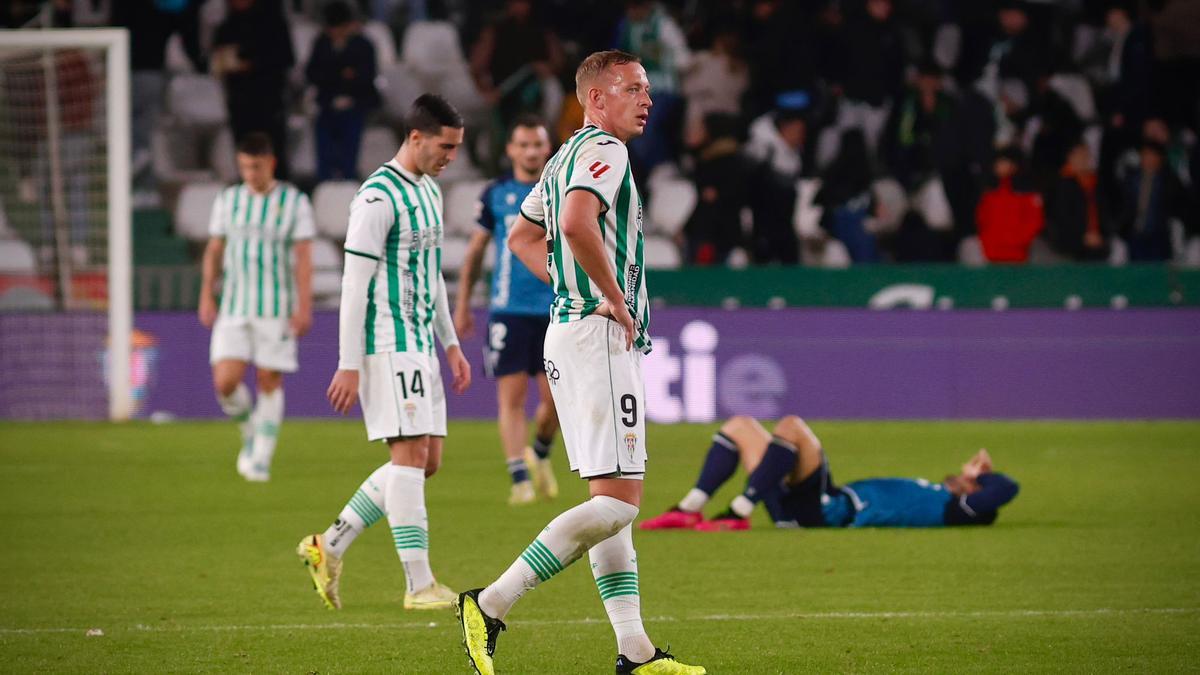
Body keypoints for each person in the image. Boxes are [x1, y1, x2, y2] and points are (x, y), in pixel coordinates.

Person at [456, 51, 705, 675]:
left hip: (567, 331)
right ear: (596, 98)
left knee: (608, 502)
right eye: (633, 88)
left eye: (648, 89)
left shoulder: (563, 154)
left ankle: (636, 650)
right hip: (597, 339)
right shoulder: (606, 153)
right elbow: (572, 223)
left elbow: (521, 237)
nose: (647, 99)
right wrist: (612, 298)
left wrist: (572, 289)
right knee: (619, 504)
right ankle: (490, 603)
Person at [297, 94, 470, 611]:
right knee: (409, 457)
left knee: (425, 463)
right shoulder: (376, 198)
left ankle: (327, 546)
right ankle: (419, 585)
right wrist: (348, 362)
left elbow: (433, 276)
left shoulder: (430, 192)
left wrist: (452, 343)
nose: (451, 157)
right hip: (386, 343)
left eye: (457, 148)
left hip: (421, 343)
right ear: (415, 137)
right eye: (445, 146)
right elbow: (354, 284)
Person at [641, 415, 1019, 531]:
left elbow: (1006, 488)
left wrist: (979, 474)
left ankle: (739, 511)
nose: (961, 475)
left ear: (972, 493)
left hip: (825, 511)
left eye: (968, 479)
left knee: (791, 427)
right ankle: (690, 507)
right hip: (802, 506)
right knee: (740, 426)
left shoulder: (955, 510)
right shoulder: (940, 494)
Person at [453, 115, 561, 506]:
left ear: (547, 148)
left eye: (537, 144)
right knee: (511, 400)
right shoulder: (496, 194)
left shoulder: (561, 189)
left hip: (556, 309)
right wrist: (463, 305)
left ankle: (542, 452)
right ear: (511, 150)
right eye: (524, 145)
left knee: (557, 402)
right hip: (509, 310)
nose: (531, 151)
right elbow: (476, 251)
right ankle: (520, 480)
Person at [198, 132, 314, 482]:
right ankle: (250, 430)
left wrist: (304, 306)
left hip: (275, 308)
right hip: (234, 306)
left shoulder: (294, 202)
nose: (251, 173)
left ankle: (261, 457)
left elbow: (304, 258)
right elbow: (215, 249)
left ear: (271, 164)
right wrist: (206, 293)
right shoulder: (228, 200)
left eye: (257, 167)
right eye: (245, 167)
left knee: (268, 378)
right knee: (225, 382)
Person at [211, 0, 294, 178]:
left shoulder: (273, 25)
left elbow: (285, 58)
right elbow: (217, 60)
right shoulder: (226, 27)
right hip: (239, 100)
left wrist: (253, 63)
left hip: (268, 98)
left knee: (272, 146)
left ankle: (278, 190)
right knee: (245, 147)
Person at [306, 0, 381, 181]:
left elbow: (366, 77)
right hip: (328, 104)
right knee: (324, 145)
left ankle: (349, 179)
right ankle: (325, 182)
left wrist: (339, 77)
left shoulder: (364, 45)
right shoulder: (321, 43)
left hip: (356, 104)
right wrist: (341, 74)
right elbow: (312, 73)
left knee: (350, 145)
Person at [975, 146, 1044, 263]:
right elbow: (982, 220)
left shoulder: (1027, 193)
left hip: (1019, 254)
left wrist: (1018, 242)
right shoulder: (988, 192)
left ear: (1015, 165)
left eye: (1004, 162)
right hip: (991, 253)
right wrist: (987, 242)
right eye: (998, 162)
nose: (999, 166)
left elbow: (1035, 222)